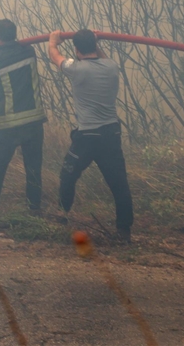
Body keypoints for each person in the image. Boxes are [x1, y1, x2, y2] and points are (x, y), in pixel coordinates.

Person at [47, 29, 133, 242]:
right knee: (119, 184)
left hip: (87, 137)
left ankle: (62, 215)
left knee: (68, 175)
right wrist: (96, 43)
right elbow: (102, 58)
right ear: (94, 46)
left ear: (76, 49)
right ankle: (124, 231)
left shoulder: (76, 69)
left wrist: (52, 41)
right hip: (110, 134)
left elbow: (55, 56)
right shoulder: (112, 67)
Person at [0, 19, 47, 214]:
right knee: (33, 167)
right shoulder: (29, 51)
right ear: (15, 34)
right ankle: (34, 209)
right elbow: (12, 52)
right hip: (33, 121)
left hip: (9, 124)